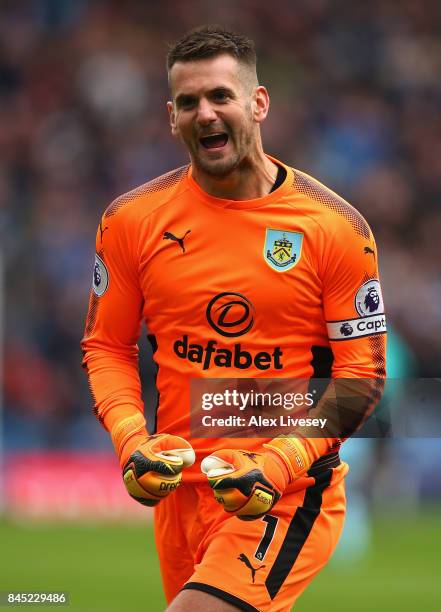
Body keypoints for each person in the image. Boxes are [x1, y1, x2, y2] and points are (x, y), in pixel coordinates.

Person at [81, 25, 387, 612]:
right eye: (189, 102)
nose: (205, 113)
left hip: (284, 491)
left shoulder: (334, 228)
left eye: (220, 95)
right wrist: (131, 440)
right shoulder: (131, 222)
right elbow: (106, 347)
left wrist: (278, 463)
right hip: (178, 494)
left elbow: (361, 376)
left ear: (258, 102)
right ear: (171, 117)